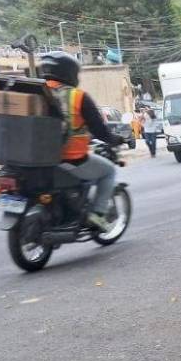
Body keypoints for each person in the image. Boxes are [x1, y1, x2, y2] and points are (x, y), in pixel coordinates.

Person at [38, 51, 120, 232]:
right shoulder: (78, 96)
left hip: (36, 160)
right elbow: (99, 129)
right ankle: (97, 214)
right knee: (109, 171)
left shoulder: (36, 92)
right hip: (70, 158)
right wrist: (114, 139)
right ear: (68, 72)